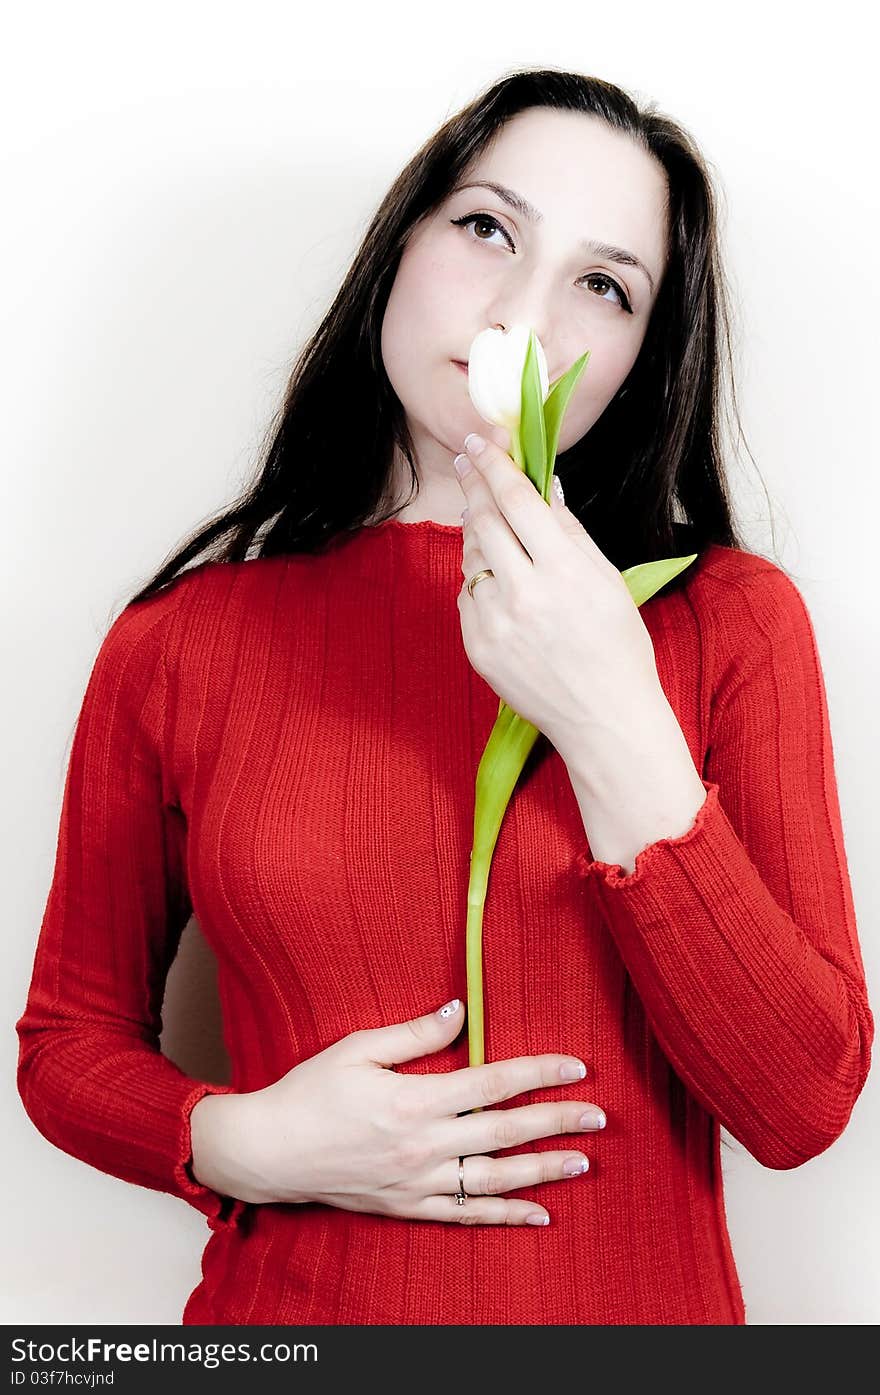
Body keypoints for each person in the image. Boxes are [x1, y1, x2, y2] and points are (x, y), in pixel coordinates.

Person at [16, 67, 873, 1327]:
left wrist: (606, 713)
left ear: (642, 354)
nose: (525, 311)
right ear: (398, 248)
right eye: (488, 228)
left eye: (602, 283)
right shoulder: (178, 643)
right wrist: (237, 1140)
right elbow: (66, 1047)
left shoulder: (725, 619)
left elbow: (800, 1105)